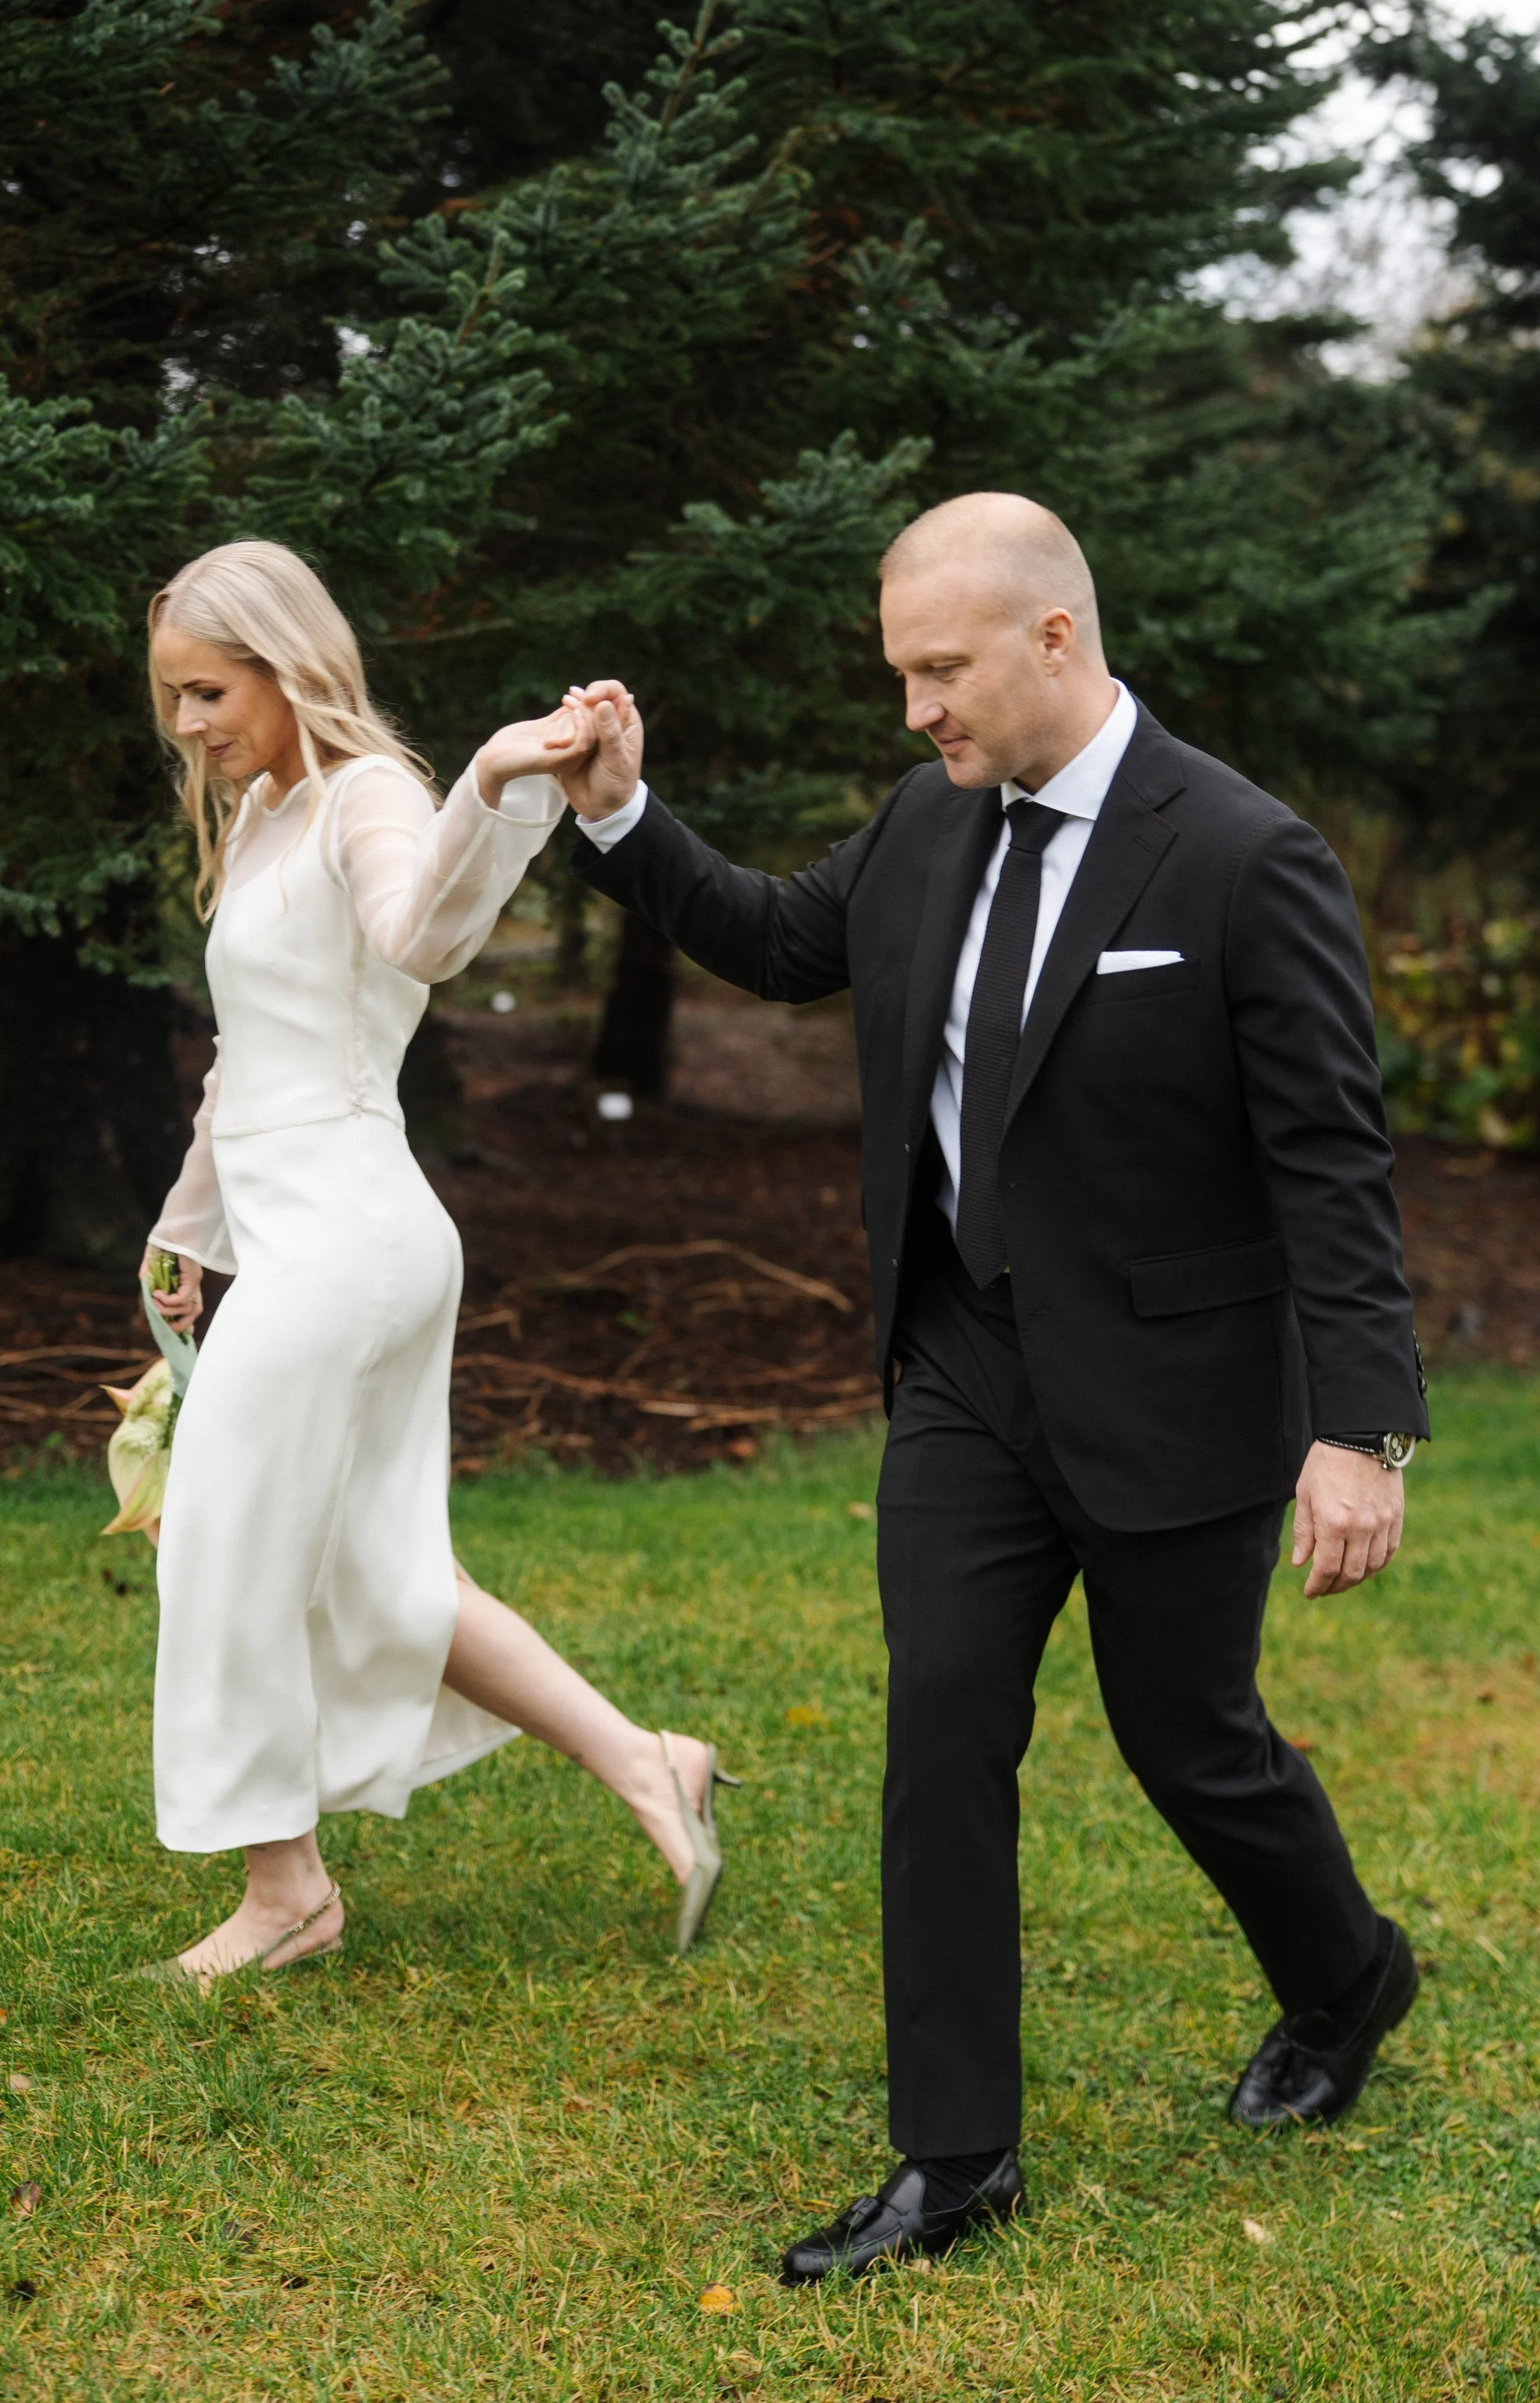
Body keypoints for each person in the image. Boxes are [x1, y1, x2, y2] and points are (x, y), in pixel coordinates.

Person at [555, 492, 1428, 2283]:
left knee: (1190, 1743)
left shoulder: (1240, 855)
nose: (914, 713)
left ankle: (1346, 1976)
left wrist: (1356, 1427)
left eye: (938, 671)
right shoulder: (925, 819)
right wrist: (617, 811)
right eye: (898, 676)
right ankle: (953, 2165)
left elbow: (1330, 1160)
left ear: (1053, 641)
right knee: (940, 1728)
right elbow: (785, 940)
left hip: (1178, 1384)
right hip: (961, 1364)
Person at [137, 538, 734, 1985]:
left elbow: (424, 935)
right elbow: (245, 1062)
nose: (189, 727)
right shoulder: (269, 815)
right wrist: (183, 1227)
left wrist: (487, 779)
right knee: (375, 1569)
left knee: (218, 1537)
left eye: (209, 690)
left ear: (288, 666)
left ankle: (287, 1891)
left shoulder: (368, 796)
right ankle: (652, 1760)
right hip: (317, 1231)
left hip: (351, 1232)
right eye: (171, 699)